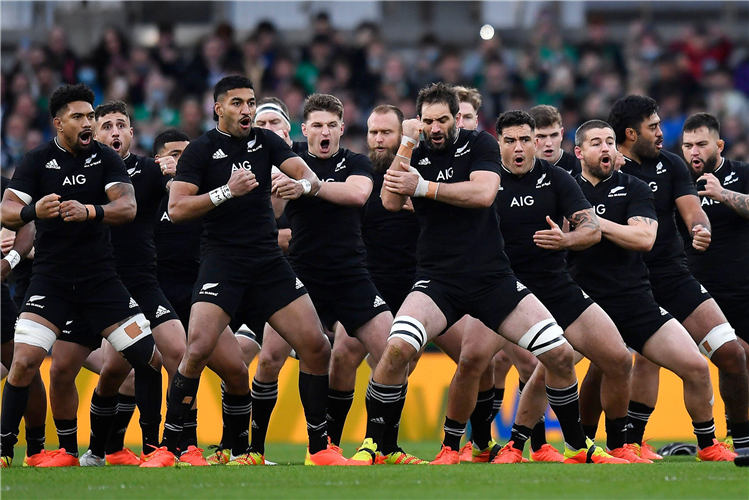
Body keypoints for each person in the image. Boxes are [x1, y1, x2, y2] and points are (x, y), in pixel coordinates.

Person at [347, 83, 616, 466]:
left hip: (492, 278)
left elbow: (484, 193)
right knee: (396, 350)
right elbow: (390, 200)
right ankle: (378, 446)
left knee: (558, 355)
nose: (436, 128)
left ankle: (576, 445)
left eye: (443, 120)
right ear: (419, 122)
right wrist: (405, 144)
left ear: (458, 118)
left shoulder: (481, 146)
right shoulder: (415, 151)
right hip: (437, 279)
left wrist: (423, 186)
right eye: (428, 121)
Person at [159, 76, 346, 466]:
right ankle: (172, 447)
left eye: (250, 102)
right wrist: (226, 191)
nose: (246, 110)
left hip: (266, 260)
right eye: (238, 103)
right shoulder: (200, 150)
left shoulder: (266, 142)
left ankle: (319, 448)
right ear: (218, 108)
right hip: (223, 260)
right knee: (196, 350)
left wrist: (304, 186)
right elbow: (177, 210)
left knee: (316, 346)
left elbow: (306, 173)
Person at [0, 84, 162, 468]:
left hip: (101, 282)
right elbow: (7, 211)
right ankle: (9, 451)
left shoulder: (106, 158)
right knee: (24, 363)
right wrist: (33, 211)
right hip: (51, 281)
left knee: (148, 357)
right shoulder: (36, 161)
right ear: (59, 123)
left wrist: (90, 211)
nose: (88, 123)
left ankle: (156, 450)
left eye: (91, 116)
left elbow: (128, 207)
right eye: (79, 117)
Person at [569, 119, 736, 462]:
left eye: (609, 142)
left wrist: (594, 224)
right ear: (578, 152)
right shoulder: (564, 188)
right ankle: (559, 444)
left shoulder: (635, 187)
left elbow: (644, 238)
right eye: (596, 142)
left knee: (696, 365)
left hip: (634, 298)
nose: (605, 148)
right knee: (552, 365)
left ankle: (708, 445)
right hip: (582, 300)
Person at [488, 111, 636, 464]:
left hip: (556, 285)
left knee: (618, 358)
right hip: (504, 289)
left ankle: (619, 445)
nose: (519, 147)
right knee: (487, 360)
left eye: (526, 140)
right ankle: (481, 445)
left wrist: (566, 239)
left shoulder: (557, 180)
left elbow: (592, 230)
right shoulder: (487, 181)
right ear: (499, 144)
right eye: (510, 141)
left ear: (536, 143)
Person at [613, 96, 748, 457]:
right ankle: (620, 443)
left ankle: (741, 442)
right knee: (619, 362)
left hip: (675, 277)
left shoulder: (671, 165)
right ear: (630, 133)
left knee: (733, 354)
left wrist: (700, 229)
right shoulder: (610, 170)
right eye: (653, 127)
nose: (662, 132)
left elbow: (693, 213)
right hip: (629, 283)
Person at [680, 112, 749, 451]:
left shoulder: (741, 174)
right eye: (688, 145)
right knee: (729, 357)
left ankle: (736, 433)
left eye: (701, 144)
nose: (694, 151)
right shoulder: (677, 182)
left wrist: (722, 194)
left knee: (739, 360)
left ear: (718, 145)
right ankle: (727, 437)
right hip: (695, 291)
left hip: (741, 287)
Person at [528, 105, 580, 176]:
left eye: (554, 135)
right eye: (541, 136)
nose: (549, 143)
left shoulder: (580, 170)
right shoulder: (517, 171)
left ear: (561, 134)